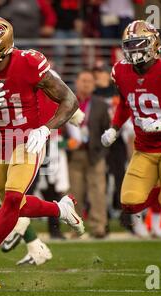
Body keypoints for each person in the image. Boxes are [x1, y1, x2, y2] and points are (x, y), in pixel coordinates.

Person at [0, 16, 85, 279]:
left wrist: (46, 128)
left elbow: (70, 100)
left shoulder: (29, 62)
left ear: (1, 48)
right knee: (15, 207)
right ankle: (61, 209)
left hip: (28, 140)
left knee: (12, 200)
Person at [101, 20, 161, 276]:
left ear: (153, 45)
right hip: (144, 147)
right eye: (128, 46)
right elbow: (125, 101)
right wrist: (114, 127)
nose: (132, 51)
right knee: (130, 204)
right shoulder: (121, 71)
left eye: (138, 45)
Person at [67, 70, 110, 238]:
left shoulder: (101, 104)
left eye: (89, 81)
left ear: (94, 84)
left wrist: (102, 151)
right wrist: (65, 144)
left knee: (97, 191)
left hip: (94, 154)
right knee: (74, 193)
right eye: (83, 80)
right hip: (74, 154)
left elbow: (108, 130)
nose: (86, 84)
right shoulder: (69, 102)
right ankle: (75, 228)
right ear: (76, 82)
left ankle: (99, 226)